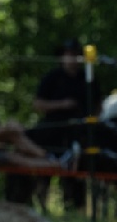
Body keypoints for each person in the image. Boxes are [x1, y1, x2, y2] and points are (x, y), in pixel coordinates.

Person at [31, 40, 101, 209]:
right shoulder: (52, 77)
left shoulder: (88, 78)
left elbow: (98, 105)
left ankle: (75, 205)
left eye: (75, 54)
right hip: (52, 129)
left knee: (78, 165)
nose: (71, 58)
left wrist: (92, 121)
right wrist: (61, 105)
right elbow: (38, 103)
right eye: (68, 54)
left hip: (79, 131)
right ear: (62, 56)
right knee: (45, 159)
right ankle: (41, 199)